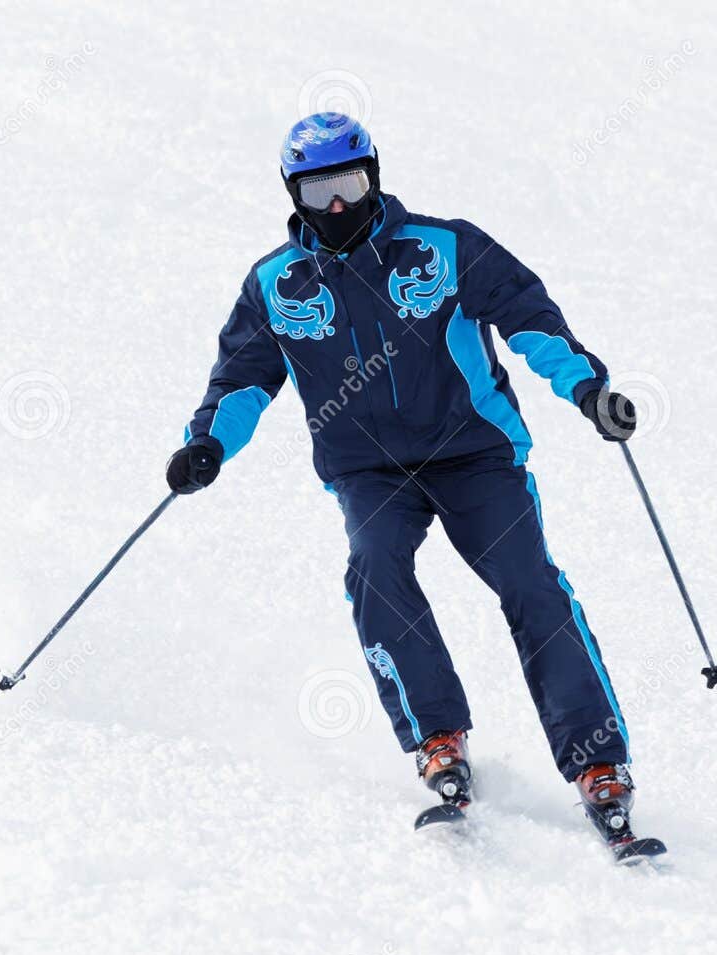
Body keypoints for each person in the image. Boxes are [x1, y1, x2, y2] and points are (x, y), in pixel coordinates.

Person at [167, 113, 654, 853]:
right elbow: (241, 380)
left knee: (529, 581)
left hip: (474, 453)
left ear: (375, 176)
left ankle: (598, 762)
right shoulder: (275, 285)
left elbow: (531, 319)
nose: (338, 204)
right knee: (375, 567)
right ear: (293, 193)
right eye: (318, 191)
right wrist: (207, 445)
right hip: (369, 471)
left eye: (349, 183)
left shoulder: (445, 247)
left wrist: (588, 390)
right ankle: (437, 738)